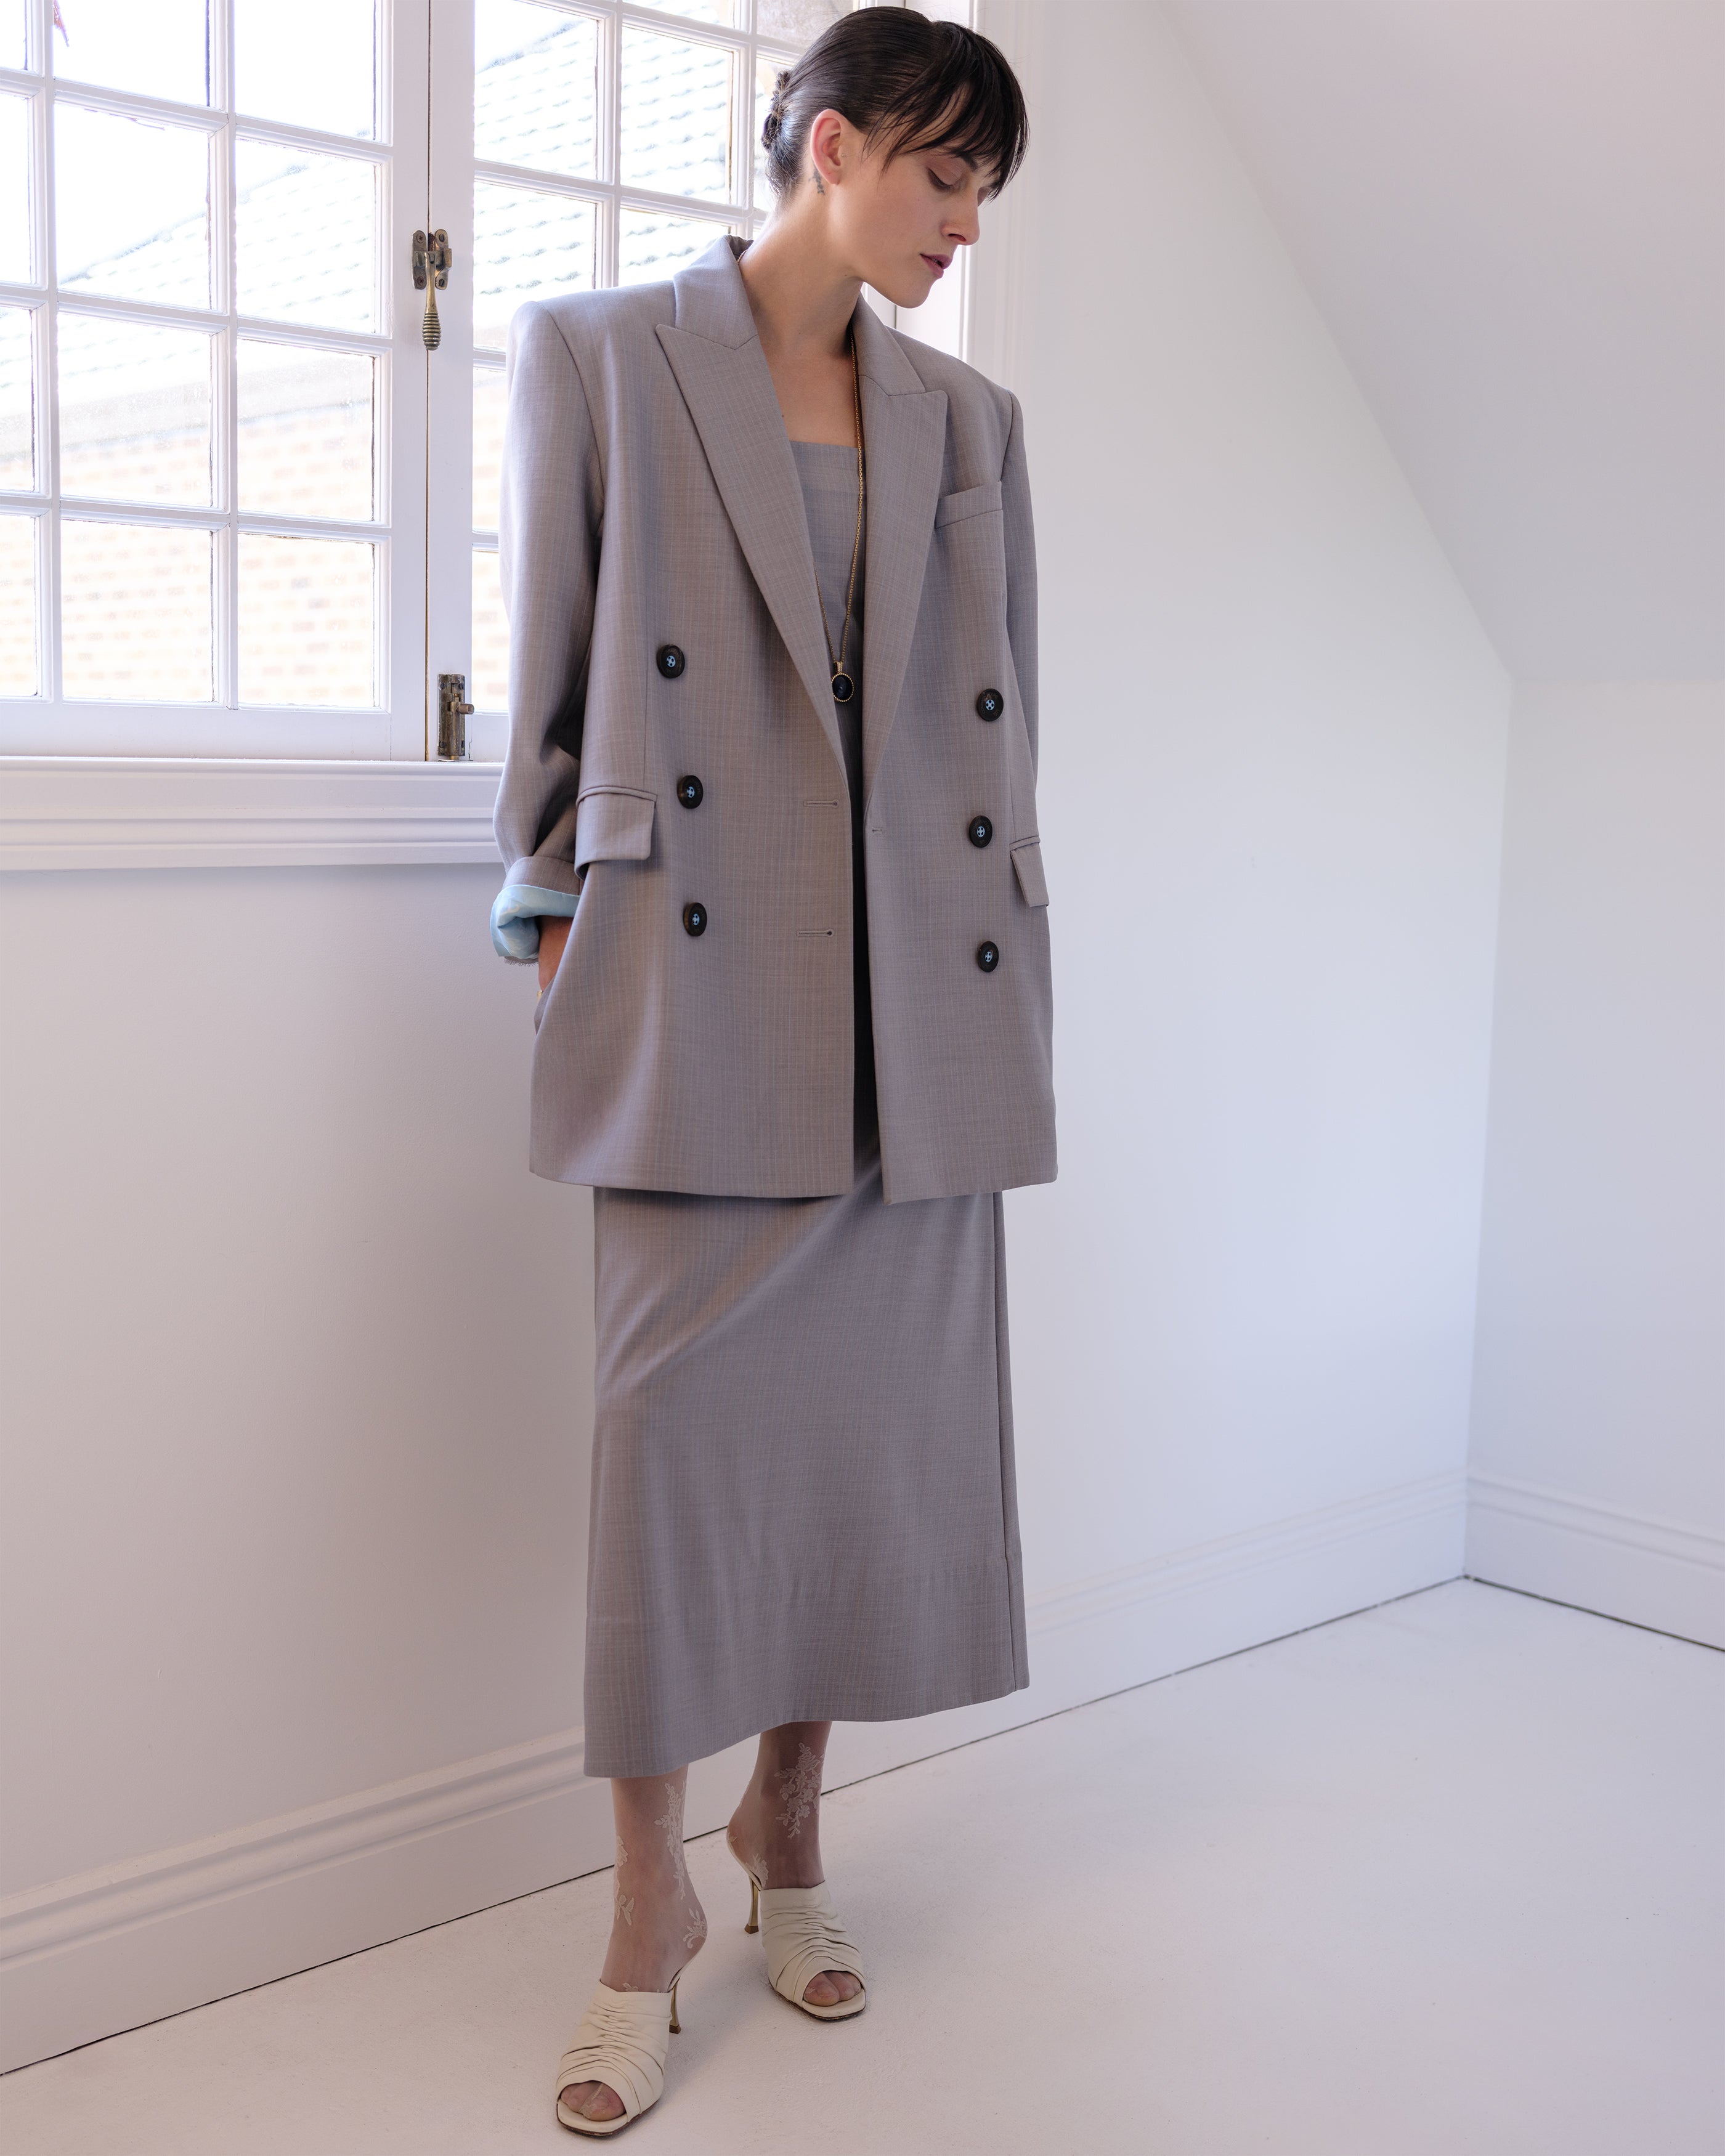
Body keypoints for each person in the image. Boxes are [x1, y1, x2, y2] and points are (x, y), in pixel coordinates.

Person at [487, 9, 1049, 2134]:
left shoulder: (969, 417)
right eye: (944, 174)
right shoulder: (601, 357)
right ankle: (649, 1898)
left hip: (917, 1000)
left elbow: (999, 722)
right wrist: (550, 916)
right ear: (834, 146)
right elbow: (549, 680)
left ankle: (786, 1825)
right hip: (697, 972)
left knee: (861, 1451)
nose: (963, 223)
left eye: (984, 189)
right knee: (669, 1453)